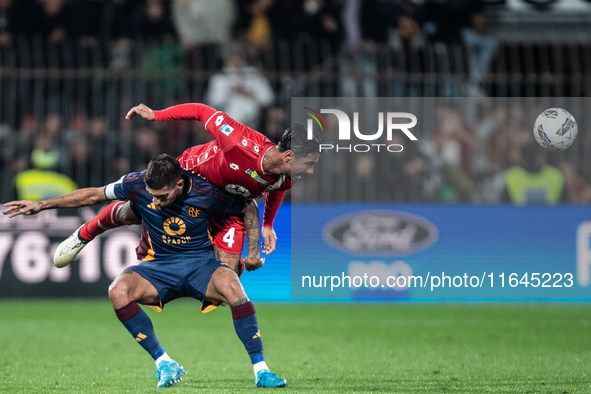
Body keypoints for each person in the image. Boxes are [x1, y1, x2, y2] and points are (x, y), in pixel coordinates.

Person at [3, 154, 287, 389]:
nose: (155, 201)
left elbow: (248, 207)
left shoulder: (207, 191)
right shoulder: (137, 184)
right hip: (160, 267)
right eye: (151, 195)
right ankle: (164, 362)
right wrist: (41, 205)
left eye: (162, 196)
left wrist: (252, 253)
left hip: (200, 265)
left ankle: (261, 370)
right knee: (118, 290)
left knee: (234, 288)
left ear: (179, 184)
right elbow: (93, 195)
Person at [54, 102, 322, 277]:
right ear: (289, 155)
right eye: (308, 164)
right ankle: (84, 234)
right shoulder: (239, 141)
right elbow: (202, 111)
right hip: (191, 178)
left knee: (227, 279)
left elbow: (277, 188)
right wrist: (156, 115)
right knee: (132, 214)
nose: (309, 171)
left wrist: (267, 225)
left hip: (225, 202)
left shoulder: (288, 174)